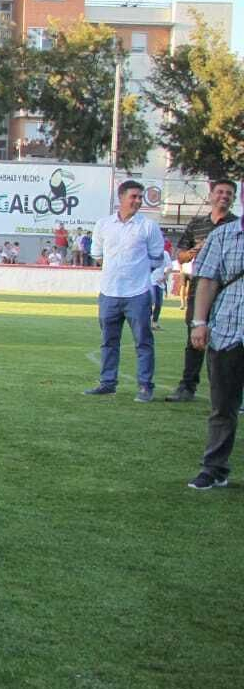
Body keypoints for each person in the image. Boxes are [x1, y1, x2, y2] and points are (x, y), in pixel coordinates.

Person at [84, 180, 164, 402]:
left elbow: (157, 258)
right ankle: (108, 383)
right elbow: (97, 254)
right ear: (121, 197)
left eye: (140, 197)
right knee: (109, 341)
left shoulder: (148, 226)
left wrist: (136, 271)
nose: (138, 201)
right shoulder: (103, 225)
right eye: (134, 196)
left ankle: (145, 386)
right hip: (109, 293)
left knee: (143, 342)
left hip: (137, 294)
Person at [186, 209, 244, 489]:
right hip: (228, 330)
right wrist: (199, 322)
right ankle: (214, 468)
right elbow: (207, 280)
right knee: (223, 406)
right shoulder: (223, 235)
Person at [169, 179, 238, 402]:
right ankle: (187, 387)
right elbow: (179, 256)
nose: (224, 196)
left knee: (231, 345)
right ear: (211, 196)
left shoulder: (237, 225)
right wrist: (194, 251)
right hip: (199, 291)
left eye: (229, 193)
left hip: (230, 297)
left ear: (234, 198)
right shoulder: (197, 224)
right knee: (194, 340)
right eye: (220, 192)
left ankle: (228, 392)